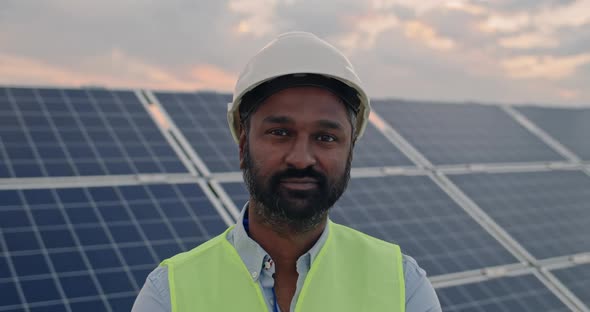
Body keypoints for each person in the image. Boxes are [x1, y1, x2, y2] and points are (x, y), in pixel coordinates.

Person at [132, 31, 441, 312]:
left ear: (350, 152)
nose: (301, 158)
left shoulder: (403, 287)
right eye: (280, 132)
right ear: (243, 144)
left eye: (326, 137)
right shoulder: (168, 294)